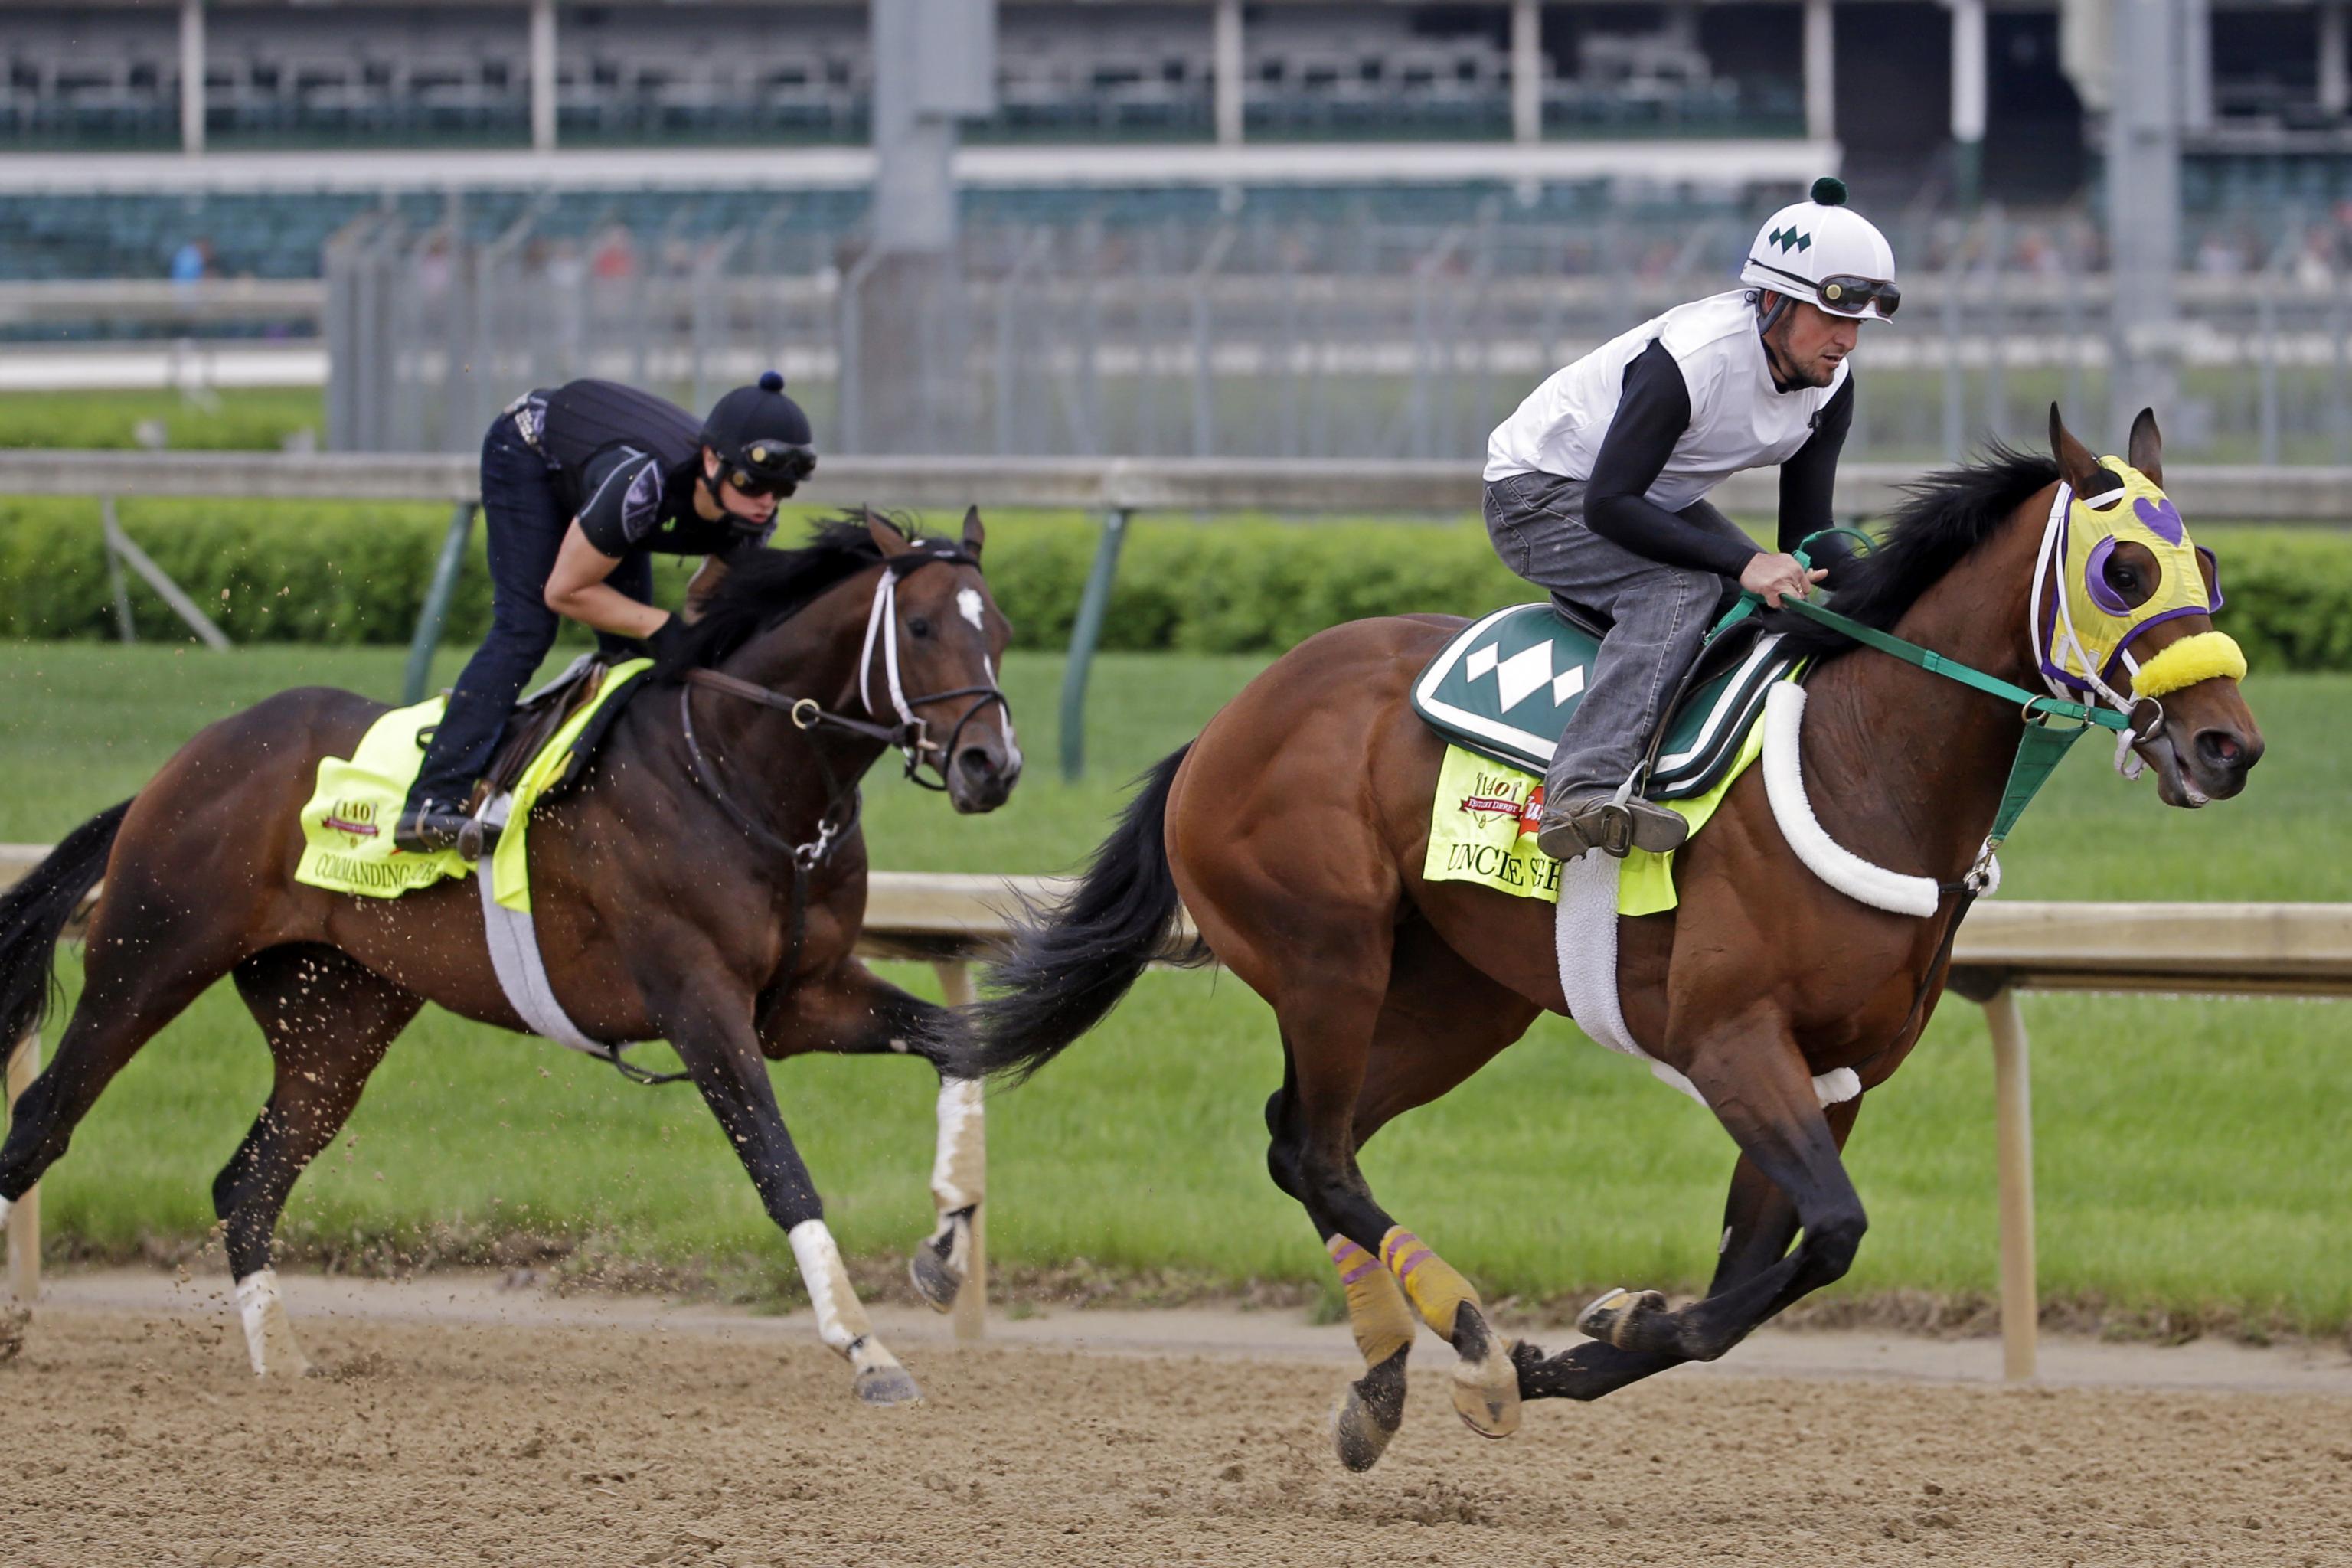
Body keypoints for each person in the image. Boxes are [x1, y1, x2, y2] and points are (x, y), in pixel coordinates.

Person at [1482, 175, 1896, 862]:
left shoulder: (1830, 387)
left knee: (1778, 609)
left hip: (1641, 501)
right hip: (1535, 497)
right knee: (1680, 590)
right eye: (1832, 318)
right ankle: (1582, 792)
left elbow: (1806, 538)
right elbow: (1608, 503)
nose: (1847, 340)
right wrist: (1741, 561)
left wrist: (1901, 589)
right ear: (1771, 303)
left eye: (1859, 323)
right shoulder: (1692, 360)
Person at [394, 371, 816, 854]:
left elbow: (704, 602)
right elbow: (566, 591)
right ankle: (430, 802)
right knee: (526, 628)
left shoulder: (752, 517)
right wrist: (663, 626)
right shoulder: (644, 487)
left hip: (605, 481)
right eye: (752, 483)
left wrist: (704, 647)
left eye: (781, 492)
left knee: (633, 655)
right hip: (531, 450)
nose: (766, 504)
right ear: (710, 461)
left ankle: (620, 802)